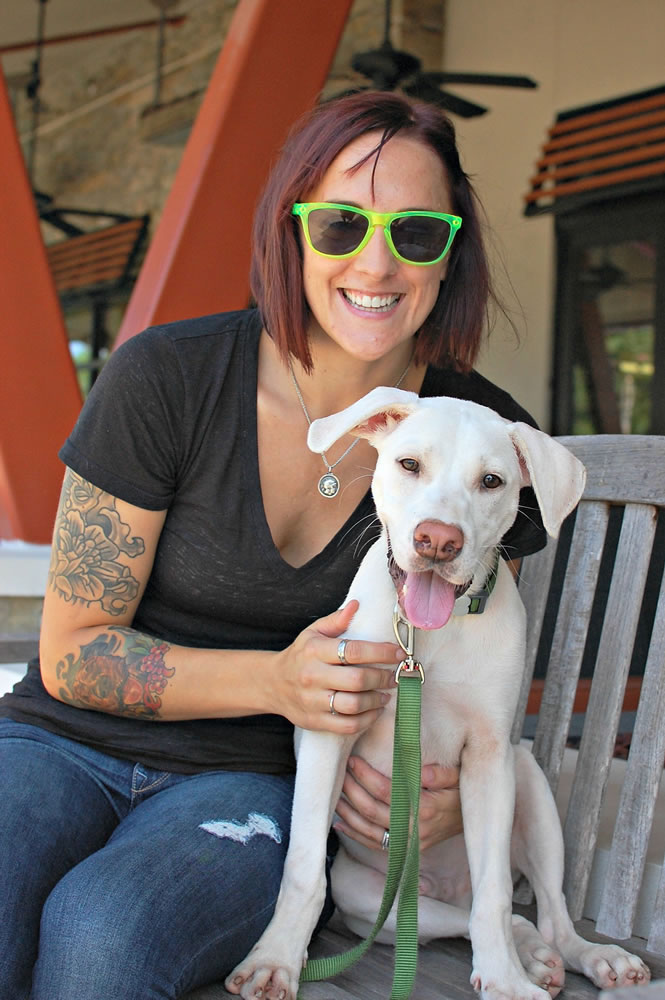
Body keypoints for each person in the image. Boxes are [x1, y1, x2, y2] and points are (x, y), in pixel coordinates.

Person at [0, 90, 546, 999]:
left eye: (415, 233)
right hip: (59, 744)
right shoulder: (165, 379)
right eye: (339, 224)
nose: (376, 262)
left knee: (101, 940)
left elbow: (459, 680)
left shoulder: (484, 447)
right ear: (289, 235)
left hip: (255, 784)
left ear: (448, 258)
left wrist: (443, 801)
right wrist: (274, 681)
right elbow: (70, 654)